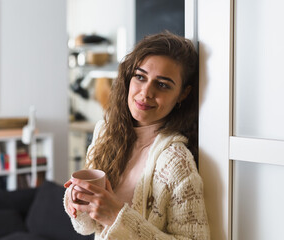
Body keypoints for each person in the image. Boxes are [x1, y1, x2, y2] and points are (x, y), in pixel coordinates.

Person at [63, 31, 210, 240]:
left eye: (162, 84)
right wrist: (76, 200)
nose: (146, 92)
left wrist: (117, 217)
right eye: (140, 77)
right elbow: (87, 227)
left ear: (183, 94)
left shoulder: (176, 161)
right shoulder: (104, 133)